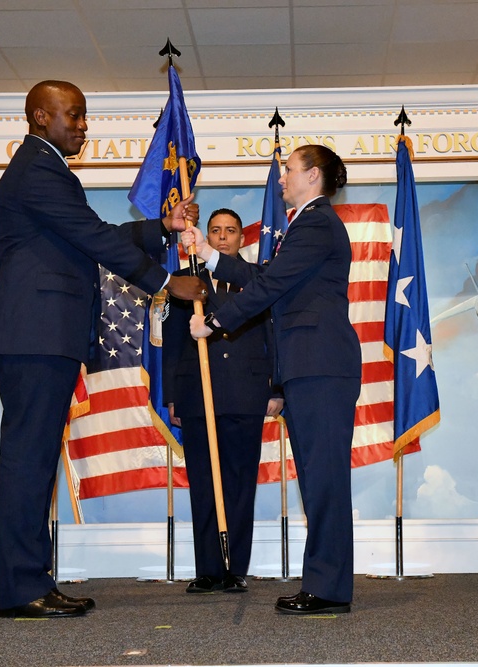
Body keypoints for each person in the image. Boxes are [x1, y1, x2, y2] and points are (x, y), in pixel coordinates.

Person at [0, 80, 206, 619]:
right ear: (38, 116)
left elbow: (86, 235)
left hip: (41, 336)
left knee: (31, 462)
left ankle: (27, 582)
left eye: (84, 116)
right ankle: (20, 588)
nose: (82, 125)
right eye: (73, 116)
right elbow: (92, 236)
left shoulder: (45, 169)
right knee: (28, 463)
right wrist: (166, 284)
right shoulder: (38, 169)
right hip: (34, 335)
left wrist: (161, 229)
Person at [180, 144, 361, 615]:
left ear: (313, 176)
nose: (281, 178)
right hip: (308, 368)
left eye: (288, 170)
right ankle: (325, 583)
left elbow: (269, 287)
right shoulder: (308, 224)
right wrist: (209, 255)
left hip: (320, 367)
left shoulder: (317, 222)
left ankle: (328, 588)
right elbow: (267, 275)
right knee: (319, 480)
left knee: (324, 481)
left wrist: (215, 324)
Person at [163, 208, 283, 595]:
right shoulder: (187, 284)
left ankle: (235, 568)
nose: (223, 236)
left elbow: (273, 335)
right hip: (199, 394)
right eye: (215, 230)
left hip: (246, 393)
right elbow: (173, 343)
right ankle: (208, 569)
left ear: (242, 238)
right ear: (205, 237)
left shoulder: (257, 280)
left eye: (230, 230)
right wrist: (173, 395)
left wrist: (276, 388)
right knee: (203, 482)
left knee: (239, 482)